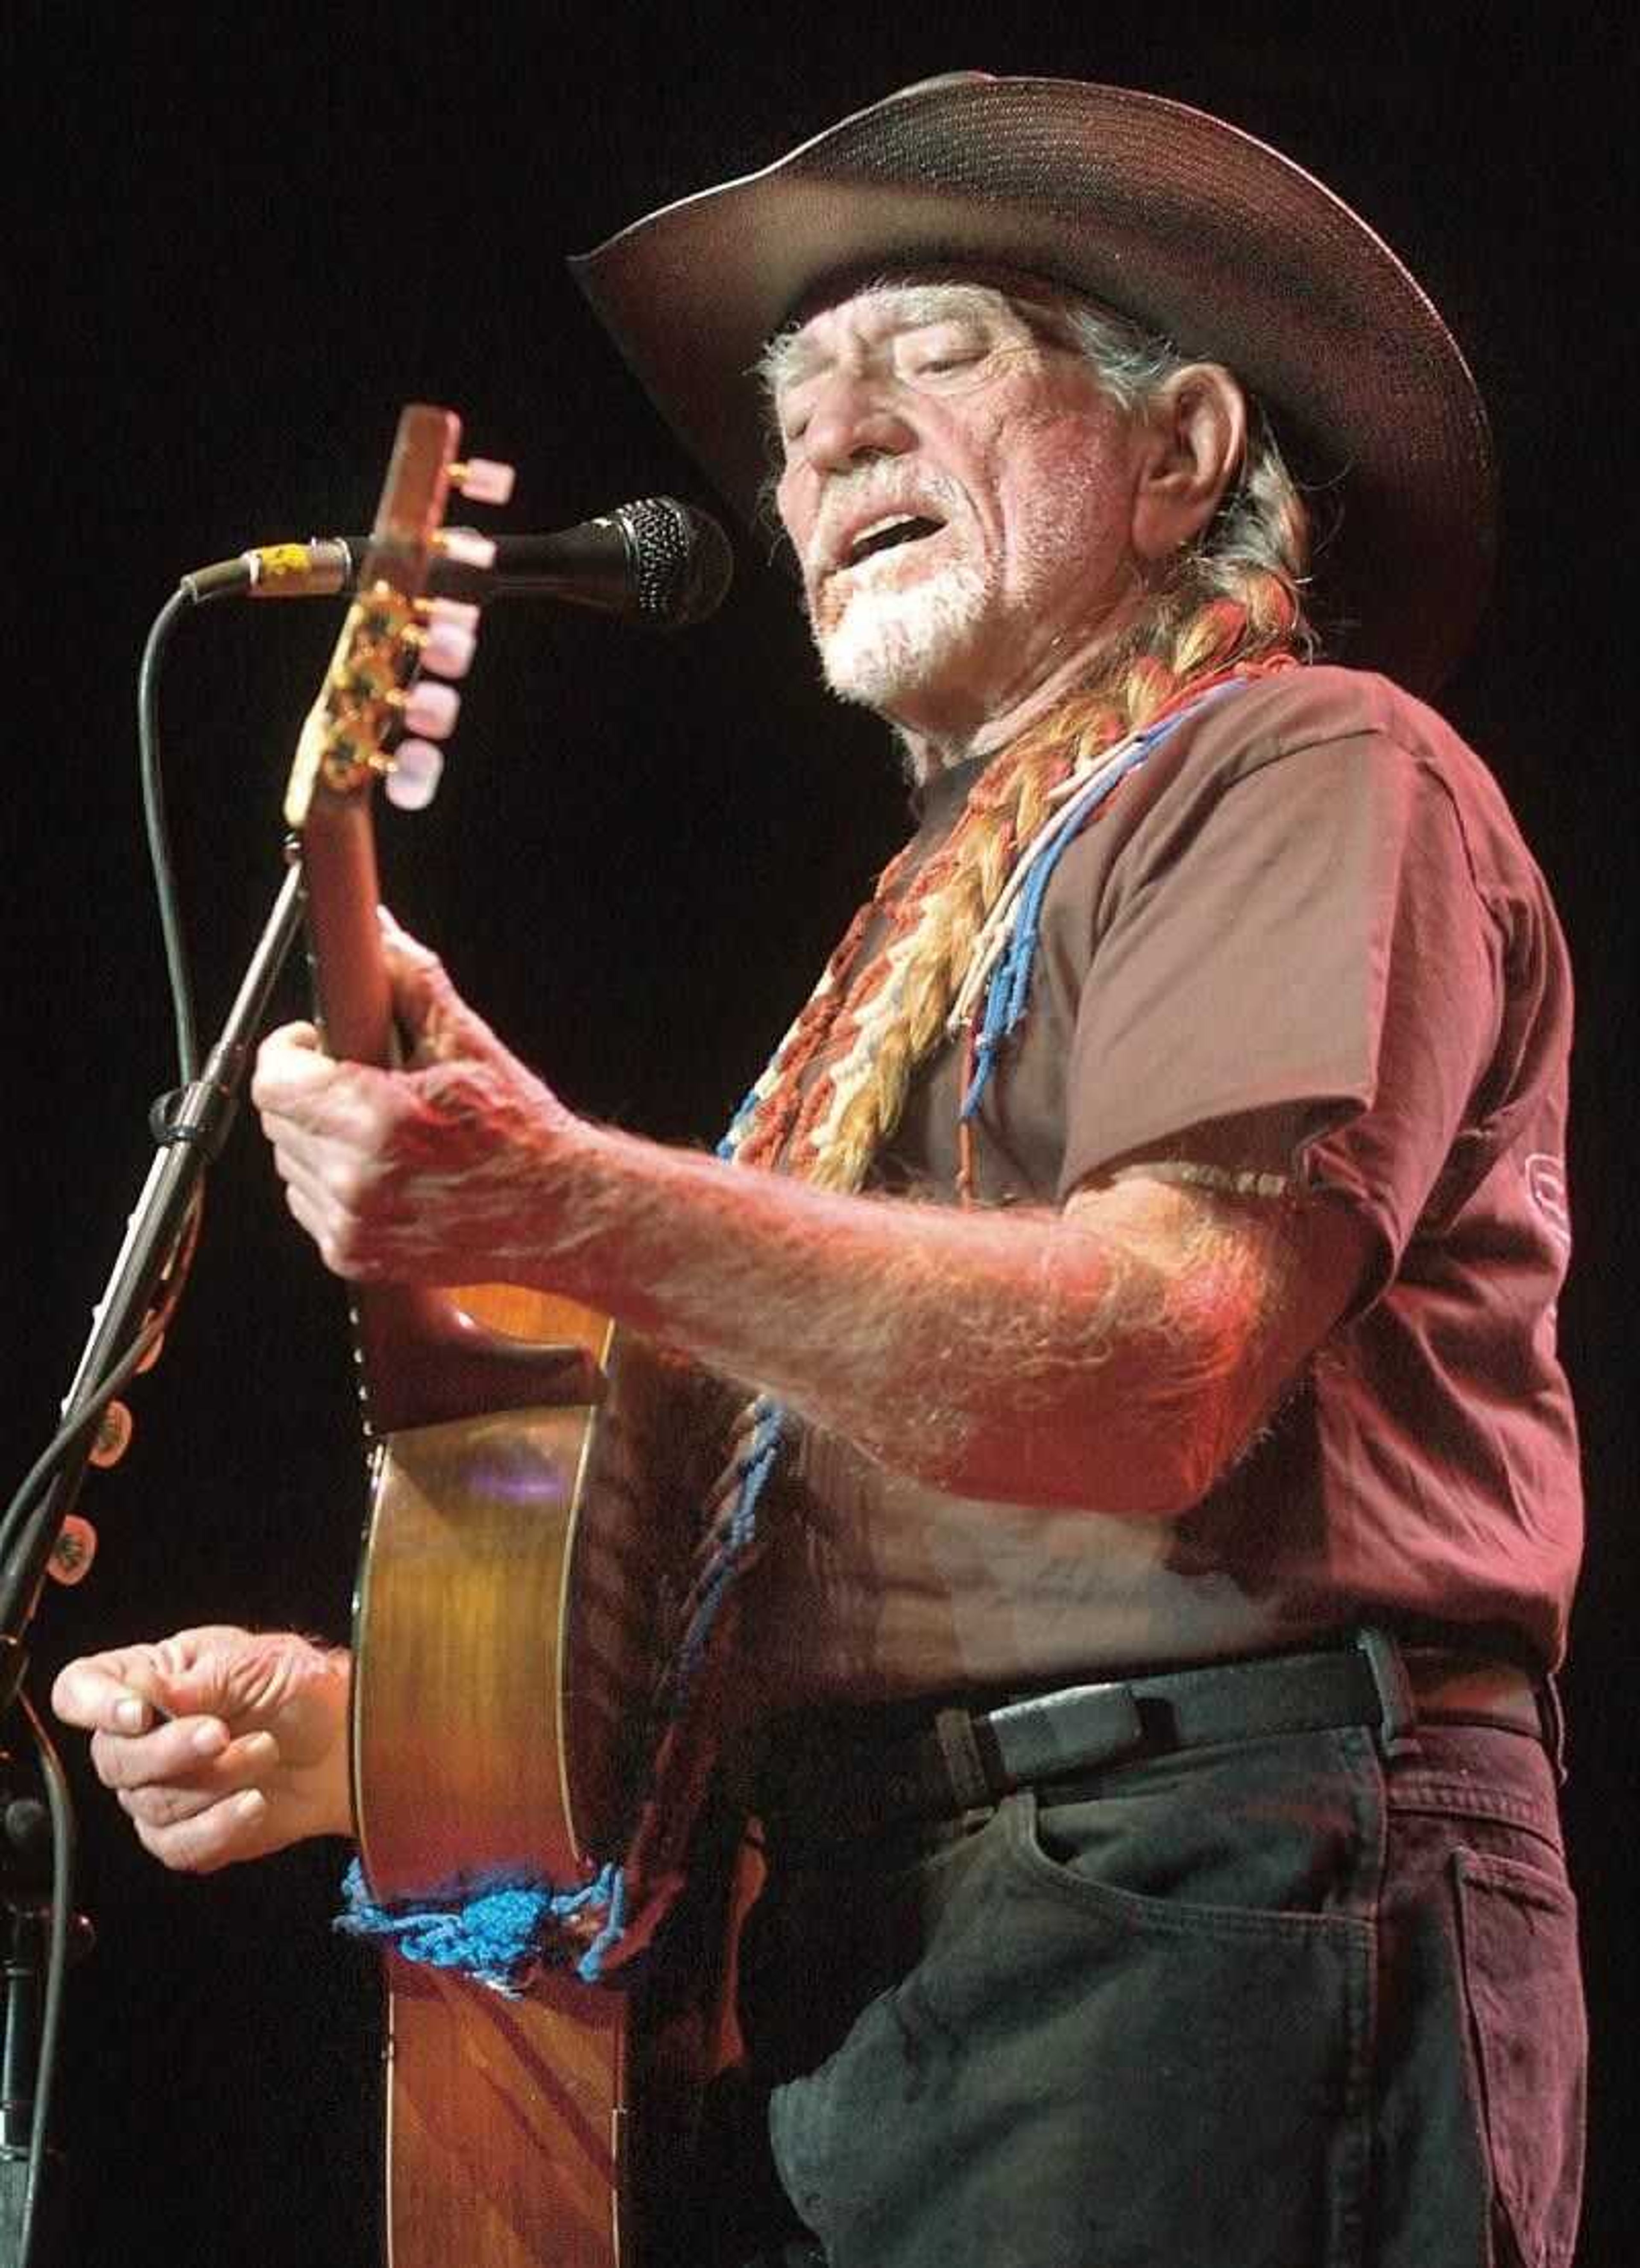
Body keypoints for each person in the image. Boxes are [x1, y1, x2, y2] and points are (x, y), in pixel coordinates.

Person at [53, 73, 1585, 2268]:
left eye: (934, 355)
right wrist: (375, 1736)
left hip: (1207, 1893)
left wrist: (570, 1202)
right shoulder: (916, 942)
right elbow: (826, 1535)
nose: (827, 444)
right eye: (796, 413)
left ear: (1185, 453)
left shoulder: (1305, 765)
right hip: (892, 1952)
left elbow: (1154, 1366)